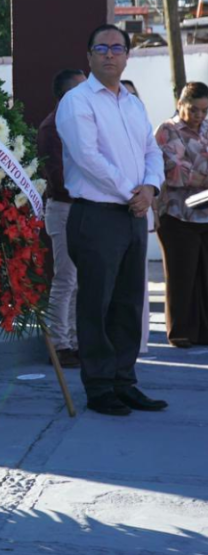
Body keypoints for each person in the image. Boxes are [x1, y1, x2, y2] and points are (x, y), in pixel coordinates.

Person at [56, 23, 168, 416]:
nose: (109, 54)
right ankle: (100, 386)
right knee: (96, 304)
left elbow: (152, 154)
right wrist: (132, 193)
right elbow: (88, 158)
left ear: (126, 56)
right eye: (101, 48)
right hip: (98, 215)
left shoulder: (133, 104)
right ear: (88, 56)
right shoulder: (78, 102)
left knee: (127, 303)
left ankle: (125, 380)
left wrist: (150, 188)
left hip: (133, 215)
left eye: (117, 48)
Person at [154, 82, 208, 347]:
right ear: (180, 104)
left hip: (205, 214)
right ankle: (181, 333)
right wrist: (200, 176)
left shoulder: (207, 129)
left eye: (204, 111)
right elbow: (175, 171)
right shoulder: (168, 130)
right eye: (194, 109)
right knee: (181, 276)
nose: (199, 116)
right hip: (177, 215)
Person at [39, 68, 86, 368]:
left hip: (85, 208)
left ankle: (75, 340)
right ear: (67, 95)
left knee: (80, 280)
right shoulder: (51, 127)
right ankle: (59, 344)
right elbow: (59, 178)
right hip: (65, 208)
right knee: (66, 278)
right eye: (81, 90)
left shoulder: (83, 123)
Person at [122, 79, 155, 354]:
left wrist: (147, 194)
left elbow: (153, 161)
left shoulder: (142, 127)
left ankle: (139, 342)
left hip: (141, 209)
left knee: (138, 283)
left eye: (133, 95)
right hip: (115, 209)